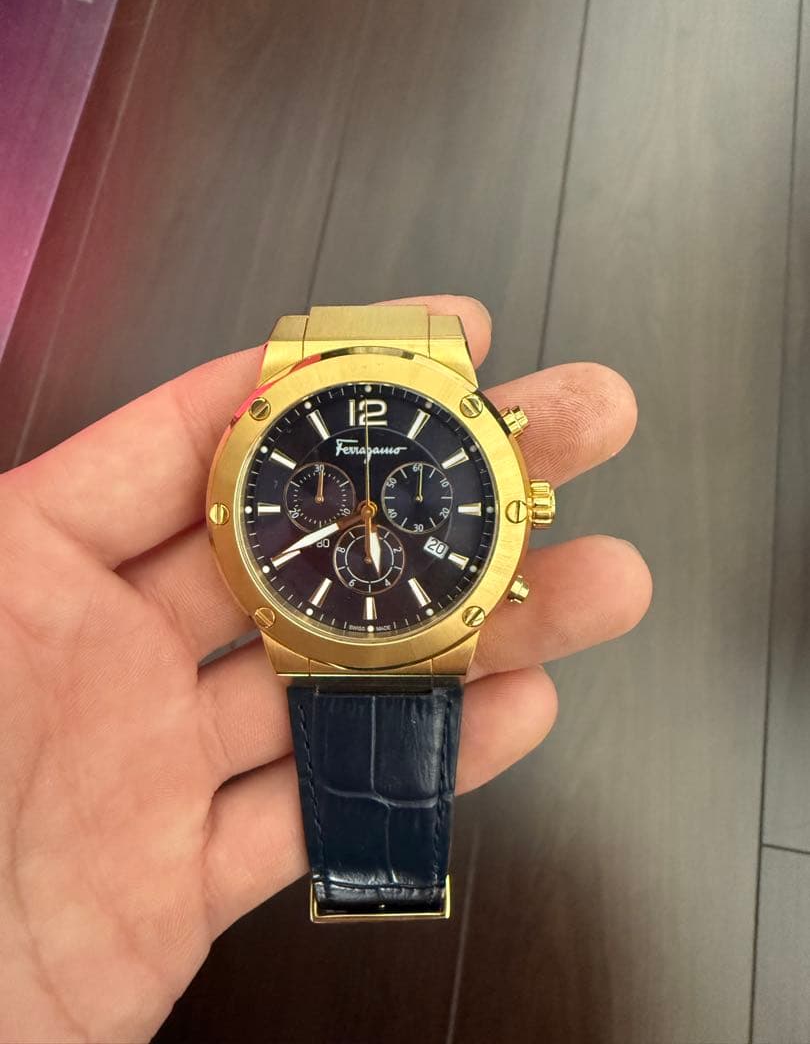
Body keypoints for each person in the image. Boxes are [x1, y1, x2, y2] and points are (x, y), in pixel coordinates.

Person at [0, 295, 651, 1042]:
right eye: (350, 506)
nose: (368, 513)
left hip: (388, 617)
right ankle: (378, 876)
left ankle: (379, 876)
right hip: (328, 617)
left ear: (524, 505)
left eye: (386, 505)